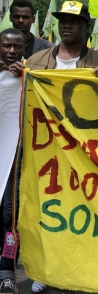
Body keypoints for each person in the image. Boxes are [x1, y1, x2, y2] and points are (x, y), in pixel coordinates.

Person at [0, 29, 26, 293]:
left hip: (15, 160)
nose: (11, 51)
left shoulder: (29, 76)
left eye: (17, 47)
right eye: (6, 46)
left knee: (11, 215)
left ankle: (7, 269)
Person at [27, 1, 98, 77]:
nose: (67, 25)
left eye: (75, 21)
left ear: (87, 26)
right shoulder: (34, 60)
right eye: (63, 21)